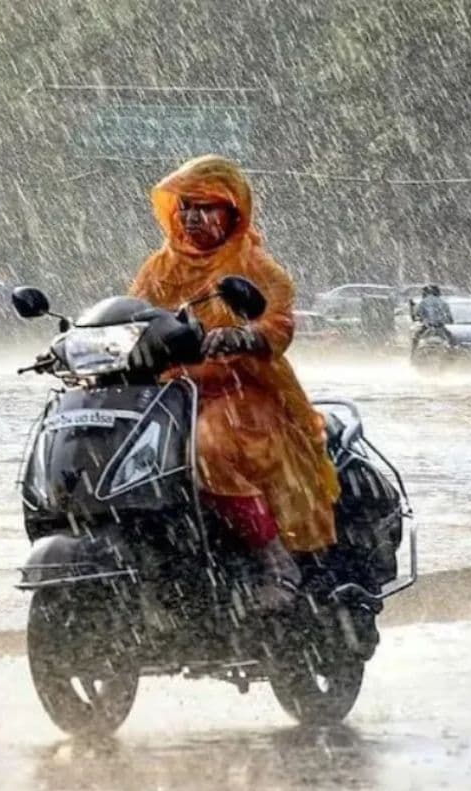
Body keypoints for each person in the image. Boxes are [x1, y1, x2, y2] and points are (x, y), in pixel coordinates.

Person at [130, 155, 340, 610]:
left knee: (207, 448)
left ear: (234, 213)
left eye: (207, 207)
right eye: (186, 206)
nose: (193, 217)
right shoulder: (158, 269)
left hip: (243, 390)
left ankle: (275, 560)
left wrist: (243, 335)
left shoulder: (258, 269)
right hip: (170, 393)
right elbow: (132, 315)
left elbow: (279, 325)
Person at [411, 284, 453, 350]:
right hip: (440, 326)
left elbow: (418, 314)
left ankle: (413, 354)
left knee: (416, 337)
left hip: (427, 327)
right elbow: (449, 316)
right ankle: (453, 354)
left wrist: (421, 319)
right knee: (451, 339)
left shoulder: (423, 302)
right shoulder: (443, 302)